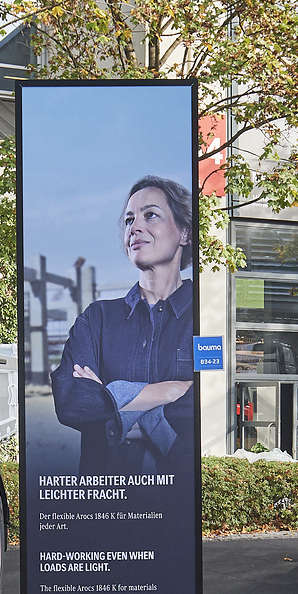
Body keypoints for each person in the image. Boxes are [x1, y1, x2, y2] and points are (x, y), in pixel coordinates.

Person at [51, 175, 197, 475]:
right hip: (104, 502)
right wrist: (167, 392)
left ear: (184, 232)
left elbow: (200, 409)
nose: (135, 227)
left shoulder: (204, 319)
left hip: (177, 504)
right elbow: (71, 402)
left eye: (150, 215)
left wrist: (109, 400)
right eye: (129, 219)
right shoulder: (96, 319)